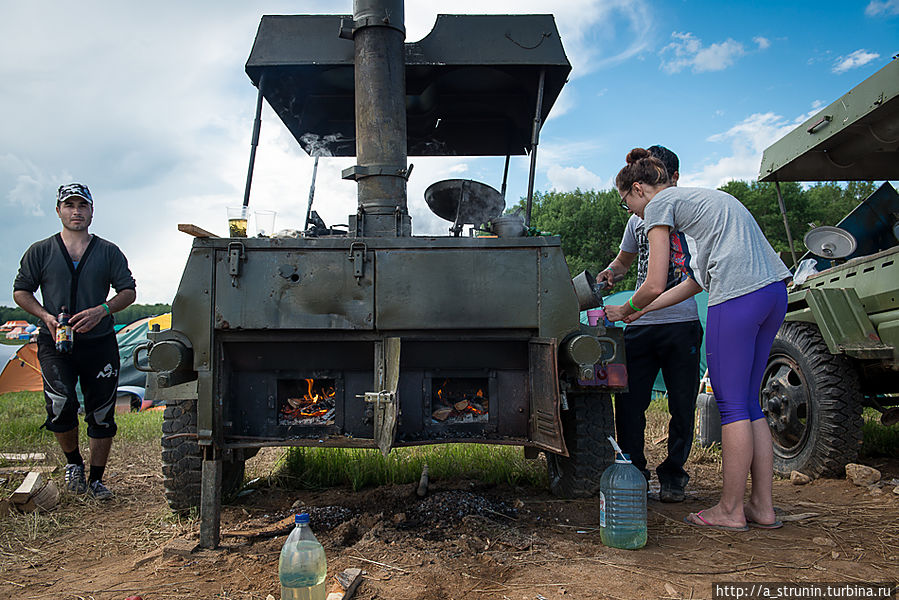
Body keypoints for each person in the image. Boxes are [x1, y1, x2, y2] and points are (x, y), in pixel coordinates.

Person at [605, 149, 790, 531]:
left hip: (737, 297)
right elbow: (693, 283)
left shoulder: (660, 205)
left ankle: (729, 510)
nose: (634, 214)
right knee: (750, 403)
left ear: (638, 188)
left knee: (732, 405)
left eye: (629, 204)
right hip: (772, 293)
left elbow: (654, 281)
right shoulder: (702, 205)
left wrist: (624, 309)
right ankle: (762, 507)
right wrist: (643, 311)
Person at [13, 183, 136, 500]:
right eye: (69, 205)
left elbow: (128, 291)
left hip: (100, 342)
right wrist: (45, 316)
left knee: (102, 412)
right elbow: (21, 290)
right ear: (58, 211)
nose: (76, 211)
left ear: (92, 212)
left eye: (82, 206)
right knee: (61, 404)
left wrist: (102, 309)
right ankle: (73, 464)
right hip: (55, 342)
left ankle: (96, 480)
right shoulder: (41, 251)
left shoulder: (108, 251)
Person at [596, 145, 703, 503]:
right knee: (629, 403)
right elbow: (625, 261)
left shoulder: (687, 215)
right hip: (639, 326)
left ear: (674, 179)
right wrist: (611, 272)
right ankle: (634, 472)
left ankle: (674, 474)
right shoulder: (635, 220)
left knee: (682, 403)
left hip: (681, 321)